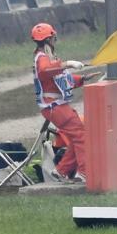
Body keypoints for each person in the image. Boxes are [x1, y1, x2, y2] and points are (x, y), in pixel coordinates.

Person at [30, 22, 94, 184]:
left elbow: (62, 79)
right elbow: (46, 71)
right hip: (54, 106)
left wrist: (82, 79)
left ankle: (62, 171)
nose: (55, 41)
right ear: (49, 39)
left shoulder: (48, 58)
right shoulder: (42, 58)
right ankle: (83, 173)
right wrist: (68, 64)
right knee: (82, 136)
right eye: (54, 38)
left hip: (56, 106)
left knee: (76, 137)